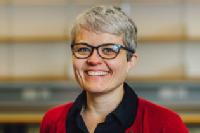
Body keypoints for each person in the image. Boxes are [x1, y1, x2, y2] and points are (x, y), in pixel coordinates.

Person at [40, 6, 189, 133]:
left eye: (109, 50)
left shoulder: (165, 125)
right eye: (84, 49)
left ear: (130, 60)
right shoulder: (52, 122)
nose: (93, 60)